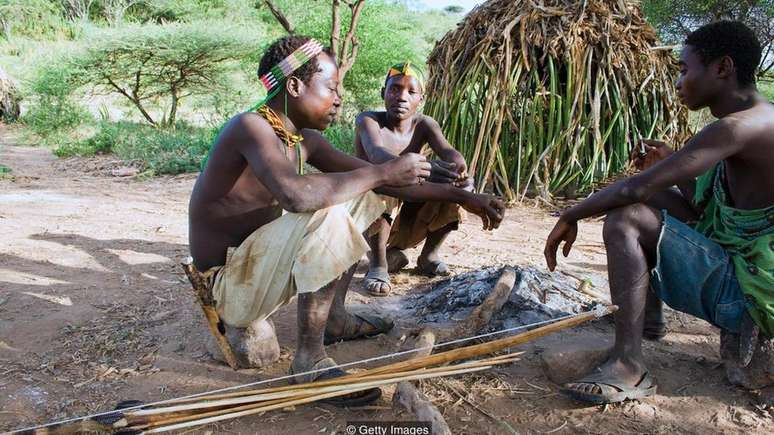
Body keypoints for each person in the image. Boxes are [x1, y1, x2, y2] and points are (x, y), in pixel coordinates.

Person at [189, 36, 505, 405]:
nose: (338, 98)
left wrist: (466, 197)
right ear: (294, 86)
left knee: (368, 191)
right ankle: (309, 362)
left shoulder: (300, 139)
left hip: (259, 272)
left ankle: (334, 318)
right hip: (230, 287)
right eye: (332, 87)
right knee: (329, 211)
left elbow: (384, 182)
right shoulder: (250, 127)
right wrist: (384, 171)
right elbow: (297, 195)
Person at [543, 21, 774, 404]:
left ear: (722, 68)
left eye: (685, 70)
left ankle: (629, 365)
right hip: (745, 283)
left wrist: (571, 215)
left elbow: (636, 189)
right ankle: (646, 323)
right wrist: (666, 164)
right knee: (642, 205)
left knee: (627, 215)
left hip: (753, 297)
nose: (679, 83)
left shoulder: (738, 127)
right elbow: (702, 211)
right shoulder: (757, 120)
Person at [355, 62, 473, 296]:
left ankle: (428, 256)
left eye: (411, 92)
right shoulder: (368, 121)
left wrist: (459, 172)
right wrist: (431, 167)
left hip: (408, 214)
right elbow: (378, 157)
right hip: (373, 217)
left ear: (421, 99)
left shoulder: (424, 124)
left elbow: (451, 155)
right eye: (395, 89)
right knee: (381, 187)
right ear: (383, 93)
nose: (401, 97)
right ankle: (378, 264)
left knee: (454, 189)